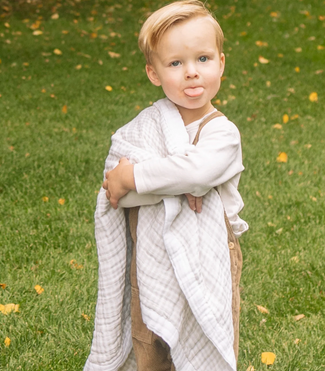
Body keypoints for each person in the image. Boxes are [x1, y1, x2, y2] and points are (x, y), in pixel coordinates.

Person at [84, 1, 248, 370]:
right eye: (176, 63)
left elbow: (197, 172)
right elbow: (116, 190)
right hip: (151, 257)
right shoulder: (145, 128)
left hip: (209, 257)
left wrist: (139, 177)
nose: (192, 73)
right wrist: (169, 181)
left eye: (203, 59)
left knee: (205, 333)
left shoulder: (222, 134)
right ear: (153, 73)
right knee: (151, 342)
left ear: (221, 62)